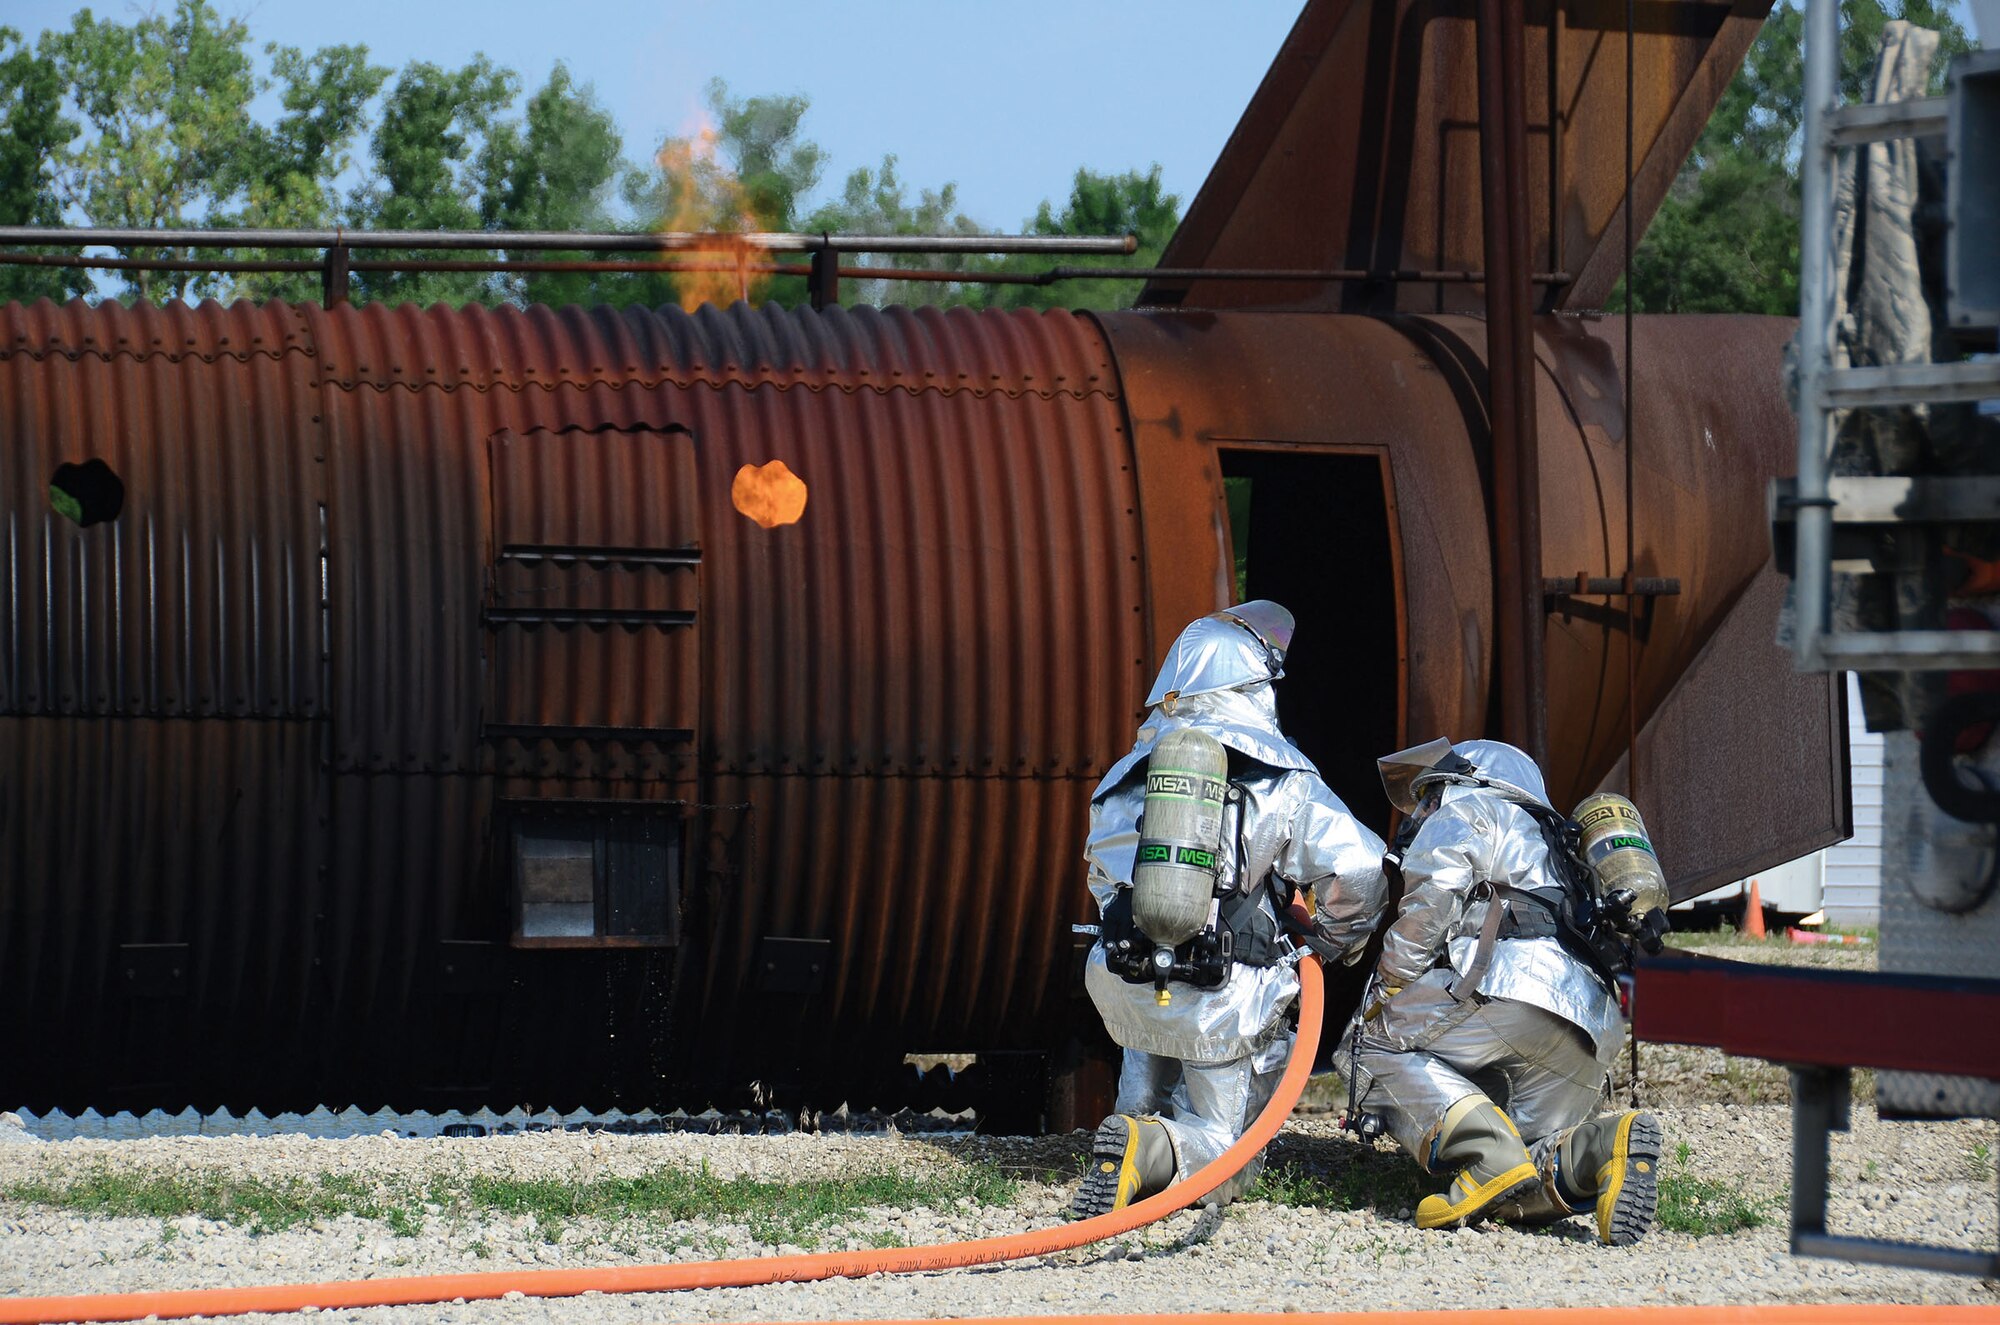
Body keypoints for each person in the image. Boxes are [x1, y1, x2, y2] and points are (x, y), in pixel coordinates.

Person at [1071, 601, 1387, 1218]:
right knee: (1225, 1145)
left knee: (1146, 1072)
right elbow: (1360, 870)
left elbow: (1104, 880)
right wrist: (1329, 939)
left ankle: (1131, 1136)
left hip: (1128, 979)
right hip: (1226, 990)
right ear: (1251, 687)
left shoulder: (1126, 774)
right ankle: (1152, 1148)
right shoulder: (1282, 776)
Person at [1335, 737, 1663, 1245]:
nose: (1422, 809)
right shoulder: (1564, 847)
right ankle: (1601, 1146)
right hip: (1592, 1026)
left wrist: (1387, 987)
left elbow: (1431, 900)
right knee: (1528, 1169)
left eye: (1428, 793)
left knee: (1364, 1046)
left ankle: (1486, 1153)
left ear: (1467, 777)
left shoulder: (1472, 807)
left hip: (1509, 985)